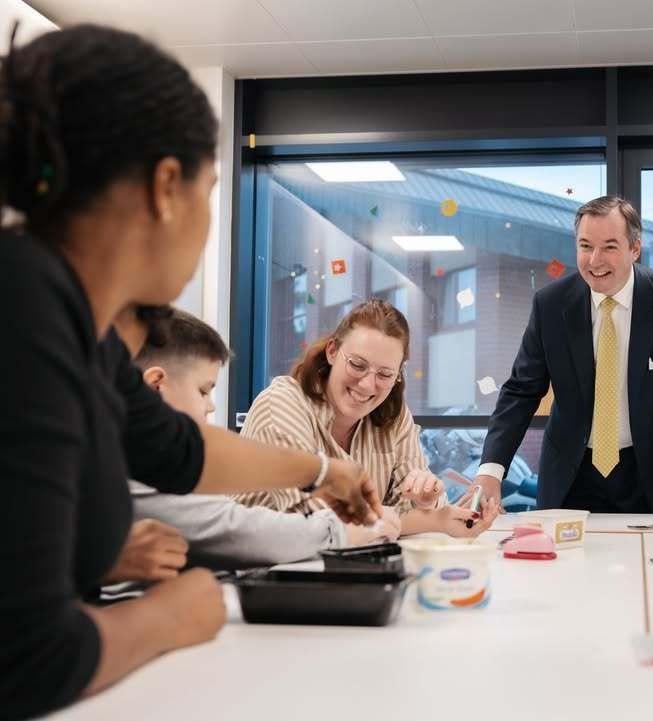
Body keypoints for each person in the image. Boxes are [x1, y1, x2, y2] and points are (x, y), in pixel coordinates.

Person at [0, 25, 381, 720]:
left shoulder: (79, 327)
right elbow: (24, 659)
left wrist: (325, 474)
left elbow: (178, 450)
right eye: (211, 190)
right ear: (167, 186)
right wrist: (169, 617)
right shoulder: (26, 308)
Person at [468, 196, 653, 515]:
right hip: (570, 475)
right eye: (585, 246)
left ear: (635, 248)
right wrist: (491, 470)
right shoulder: (551, 305)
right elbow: (520, 391)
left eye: (609, 247)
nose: (595, 260)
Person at [112, 308, 396, 573]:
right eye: (203, 391)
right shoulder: (128, 462)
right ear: (155, 386)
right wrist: (344, 526)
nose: (211, 406)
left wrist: (322, 473)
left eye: (385, 374)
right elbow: (236, 531)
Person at [234, 298, 500, 536]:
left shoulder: (394, 416)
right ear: (332, 351)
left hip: (342, 564)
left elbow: (407, 511)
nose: (366, 385)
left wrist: (429, 503)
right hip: (259, 568)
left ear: (398, 375)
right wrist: (418, 519)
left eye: (384, 374)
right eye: (357, 365)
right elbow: (312, 523)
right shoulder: (282, 403)